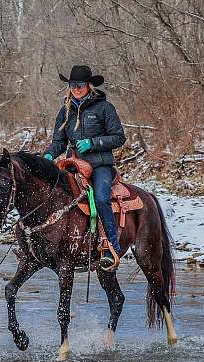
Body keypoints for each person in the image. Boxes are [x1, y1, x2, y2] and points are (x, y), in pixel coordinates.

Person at [43, 65, 126, 269]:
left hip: (100, 166)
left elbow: (119, 137)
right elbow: (59, 142)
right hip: (73, 164)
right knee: (53, 193)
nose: (76, 88)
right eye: (72, 85)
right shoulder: (66, 111)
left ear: (89, 85)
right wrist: (48, 155)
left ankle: (110, 247)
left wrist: (93, 143)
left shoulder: (104, 108)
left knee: (100, 198)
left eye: (80, 85)